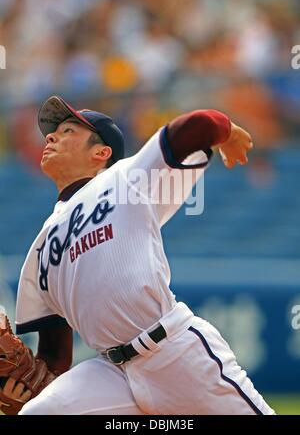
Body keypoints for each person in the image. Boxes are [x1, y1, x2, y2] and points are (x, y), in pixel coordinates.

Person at [8, 95, 274, 415]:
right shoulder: (42, 247)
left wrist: (226, 132)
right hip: (111, 373)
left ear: (101, 152)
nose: (50, 136)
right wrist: (23, 388)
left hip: (172, 351)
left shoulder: (124, 178)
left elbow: (199, 125)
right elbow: (53, 358)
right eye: (53, 132)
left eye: (68, 131)